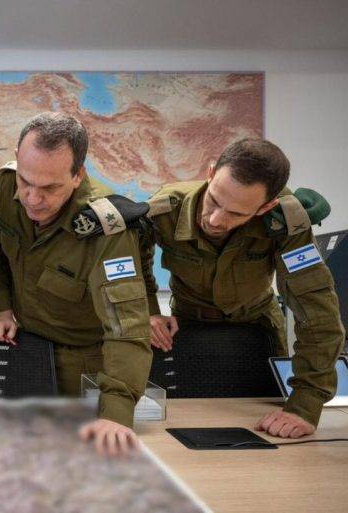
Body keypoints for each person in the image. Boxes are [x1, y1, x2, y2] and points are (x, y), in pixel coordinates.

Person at [141, 138, 344, 439]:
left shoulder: (286, 221)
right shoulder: (164, 209)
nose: (215, 220)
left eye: (236, 214)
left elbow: (318, 316)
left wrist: (304, 407)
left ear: (266, 206)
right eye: (214, 201)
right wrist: (148, 311)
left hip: (258, 329)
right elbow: (132, 263)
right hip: (186, 330)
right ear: (211, 172)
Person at [0, 112, 152, 456]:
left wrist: (116, 413)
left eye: (50, 188)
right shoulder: (6, 184)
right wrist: (1, 308)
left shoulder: (107, 228)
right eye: (26, 182)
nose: (32, 198)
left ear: (78, 176)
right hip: (26, 353)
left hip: (84, 367)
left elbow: (127, 325)